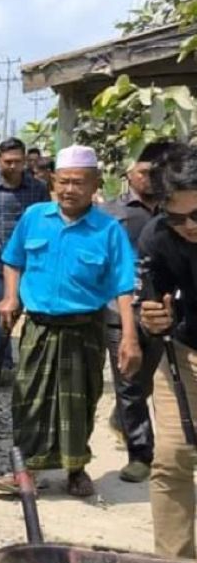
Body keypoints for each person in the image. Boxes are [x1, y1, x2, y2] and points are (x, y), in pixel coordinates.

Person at [0, 145, 141, 498]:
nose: (69, 189)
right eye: (63, 182)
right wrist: (11, 297)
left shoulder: (108, 230)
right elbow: (12, 260)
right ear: (53, 183)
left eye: (78, 183)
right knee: (27, 398)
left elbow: (123, 286)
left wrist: (130, 337)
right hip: (39, 326)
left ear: (94, 185)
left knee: (79, 401)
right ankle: (24, 470)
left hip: (84, 328)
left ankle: (76, 470)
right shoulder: (34, 217)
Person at [101, 142, 184, 482]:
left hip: (164, 309)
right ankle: (141, 454)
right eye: (144, 173)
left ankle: (123, 420)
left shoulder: (175, 212)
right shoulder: (111, 213)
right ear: (129, 175)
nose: (150, 180)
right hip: (121, 310)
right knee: (129, 381)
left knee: (147, 381)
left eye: (156, 174)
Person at [136, 145, 197, 559]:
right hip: (185, 356)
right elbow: (150, 301)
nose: (189, 226)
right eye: (178, 217)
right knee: (173, 459)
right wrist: (151, 318)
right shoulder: (157, 237)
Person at [0, 139, 51, 377]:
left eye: (17, 161)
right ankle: (4, 365)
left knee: (17, 311)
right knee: (0, 310)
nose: (13, 166)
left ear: (25, 160)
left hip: (28, 263)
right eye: (8, 162)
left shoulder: (37, 189)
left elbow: (46, 222)